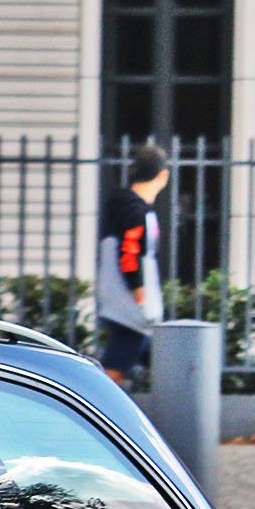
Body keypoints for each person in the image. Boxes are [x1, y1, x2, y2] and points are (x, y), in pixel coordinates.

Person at [95, 143, 170, 387]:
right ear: (163, 176)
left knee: (161, 361)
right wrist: (140, 296)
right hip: (131, 309)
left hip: (123, 303)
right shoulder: (134, 210)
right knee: (112, 374)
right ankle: (94, 409)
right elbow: (129, 253)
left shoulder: (123, 205)